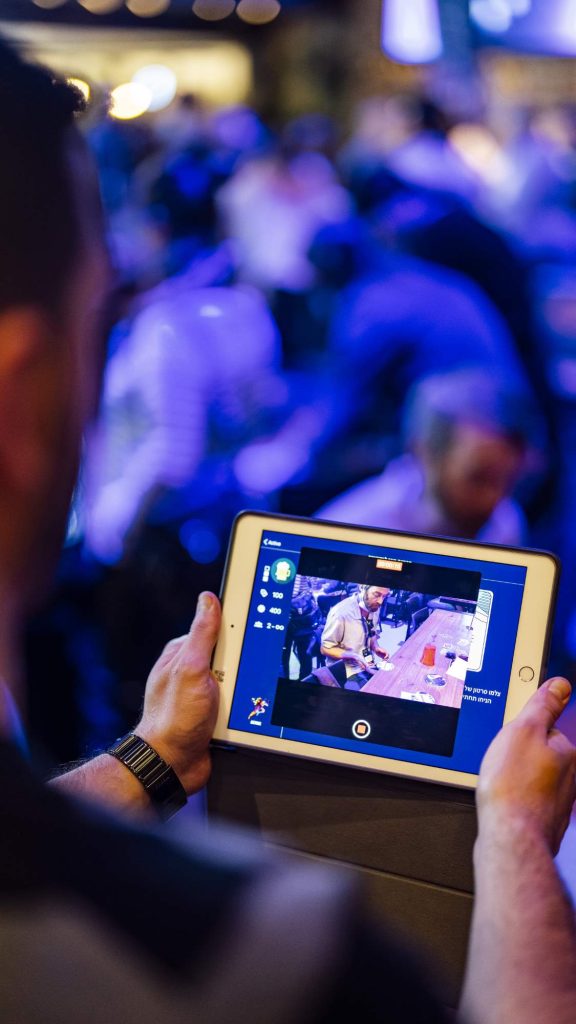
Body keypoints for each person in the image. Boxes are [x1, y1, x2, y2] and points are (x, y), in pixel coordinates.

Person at [0, 40, 575, 1024]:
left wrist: (154, 756)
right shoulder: (269, 957)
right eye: (101, 326)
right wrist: (518, 837)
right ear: (22, 385)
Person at [317, 372, 530, 544]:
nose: (494, 498)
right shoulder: (348, 531)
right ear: (423, 453)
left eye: (506, 479)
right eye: (478, 478)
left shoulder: (504, 524)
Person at [319, 585, 390, 689]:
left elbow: (371, 633)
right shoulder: (340, 613)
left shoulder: (374, 607)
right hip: (345, 670)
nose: (380, 602)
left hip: (366, 664)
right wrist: (353, 656)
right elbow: (325, 649)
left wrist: (375, 647)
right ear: (362, 587)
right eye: (377, 594)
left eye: (384, 596)